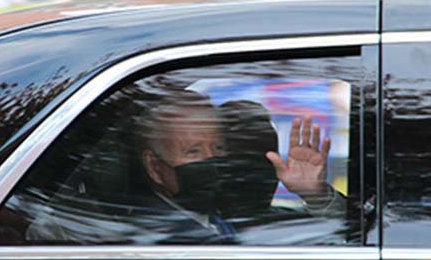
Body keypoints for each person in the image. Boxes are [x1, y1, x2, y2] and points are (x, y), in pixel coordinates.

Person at [138, 90, 344, 242]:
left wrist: (317, 195)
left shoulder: (229, 217)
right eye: (193, 151)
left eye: (218, 148)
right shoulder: (153, 237)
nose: (212, 159)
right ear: (154, 168)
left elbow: (350, 234)